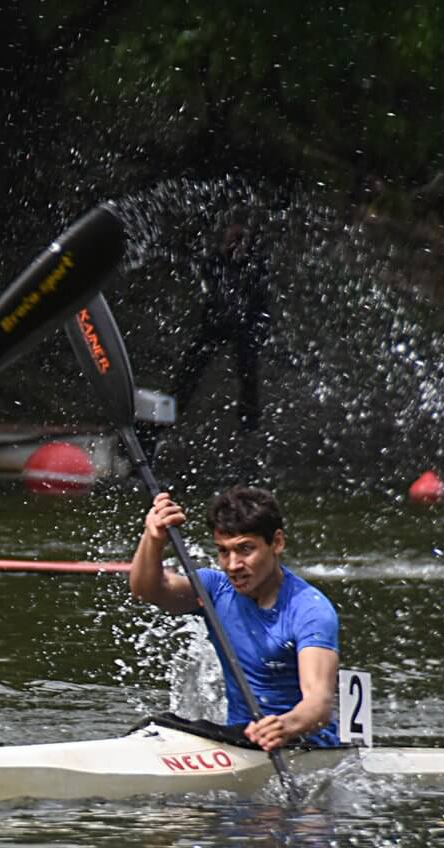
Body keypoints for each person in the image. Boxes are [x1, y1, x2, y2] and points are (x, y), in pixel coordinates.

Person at [128, 485, 338, 750]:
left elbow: (319, 704)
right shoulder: (215, 589)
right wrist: (153, 538)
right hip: (239, 740)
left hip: (302, 745)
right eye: (224, 551)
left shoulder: (310, 610)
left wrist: (284, 726)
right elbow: (147, 590)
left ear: (277, 543)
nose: (233, 565)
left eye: (245, 549)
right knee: (161, 724)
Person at [171, 210, 273, 431]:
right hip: (217, 321)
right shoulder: (215, 261)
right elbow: (208, 281)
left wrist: (258, 327)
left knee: (247, 365)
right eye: (232, 238)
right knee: (194, 361)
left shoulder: (255, 263)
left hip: (245, 322)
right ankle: (175, 406)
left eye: (239, 239)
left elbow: (261, 297)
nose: (236, 244)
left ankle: (249, 418)